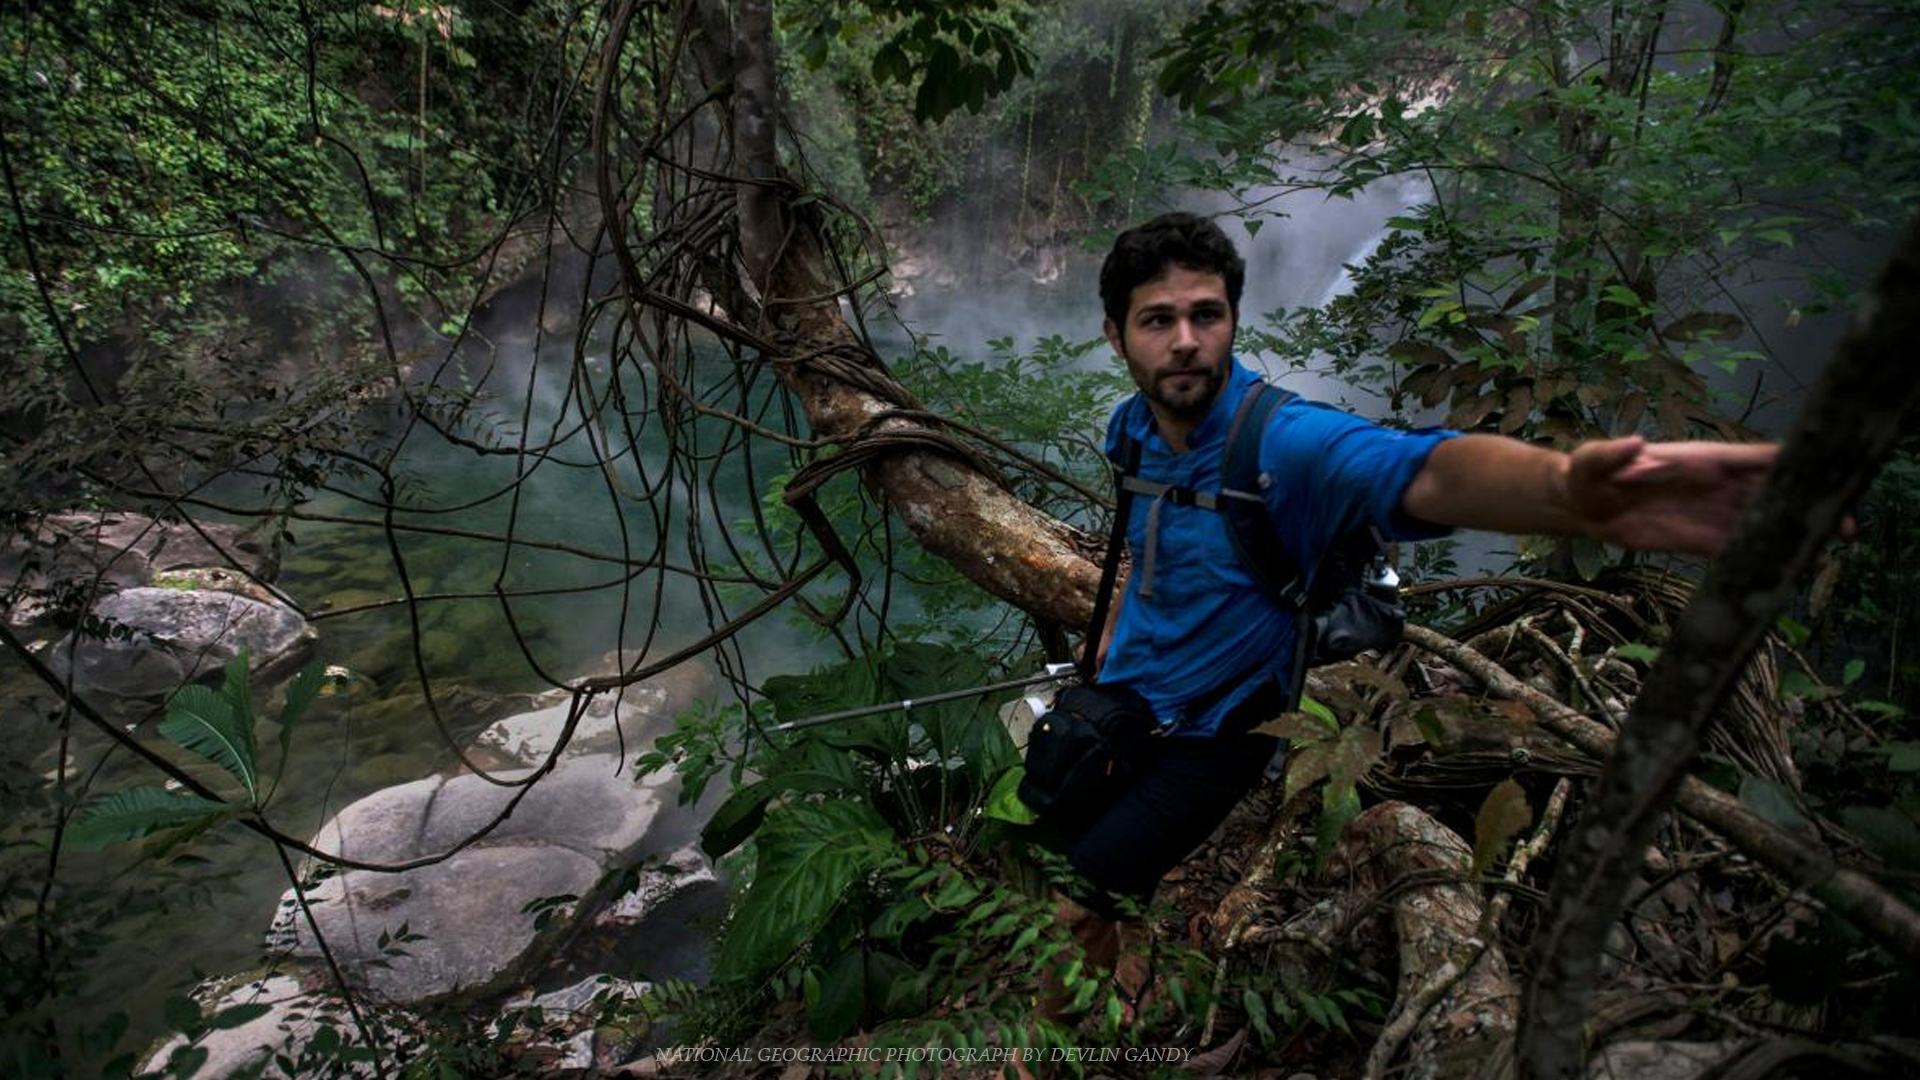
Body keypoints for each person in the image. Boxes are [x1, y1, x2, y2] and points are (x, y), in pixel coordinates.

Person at [1038, 211, 1777, 1026]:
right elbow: (1146, 544)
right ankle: (1126, 967)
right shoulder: (1132, 429)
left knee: (1073, 902)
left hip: (1215, 734)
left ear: (1233, 320)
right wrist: (1111, 638)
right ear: (1116, 336)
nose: (1185, 341)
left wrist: (1567, 492)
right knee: (1090, 855)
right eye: (1158, 320)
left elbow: (1423, 470)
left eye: (1205, 314)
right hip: (1128, 696)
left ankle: (1036, 1052)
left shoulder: (1285, 446)